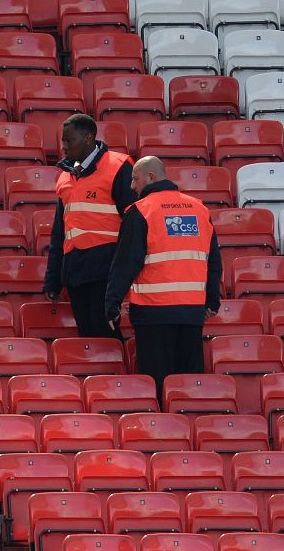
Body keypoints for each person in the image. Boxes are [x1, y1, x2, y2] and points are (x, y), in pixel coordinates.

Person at [105, 156, 223, 397]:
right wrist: (211, 300)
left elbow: (126, 262)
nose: (131, 186)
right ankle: (190, 429)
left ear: (151, 177)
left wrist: (112, 303)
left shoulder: (141, 210)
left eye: (135, 179)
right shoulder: (199, 208)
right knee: (189, 386)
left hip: (153, 313)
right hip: (191, 313)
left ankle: (163, 432)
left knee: (159, 386)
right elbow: (213, 261)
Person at [44, 114, 137, 338]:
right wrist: (53, 278)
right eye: (63, 141)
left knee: (106, 337)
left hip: (107, 268)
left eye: (70, 140)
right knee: (87, 336)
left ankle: (116, 375)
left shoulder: (118, 167)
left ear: (88, 137)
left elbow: (134, 222)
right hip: (76, 270)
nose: (64, 146)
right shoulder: (65, 176)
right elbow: (60, 231)